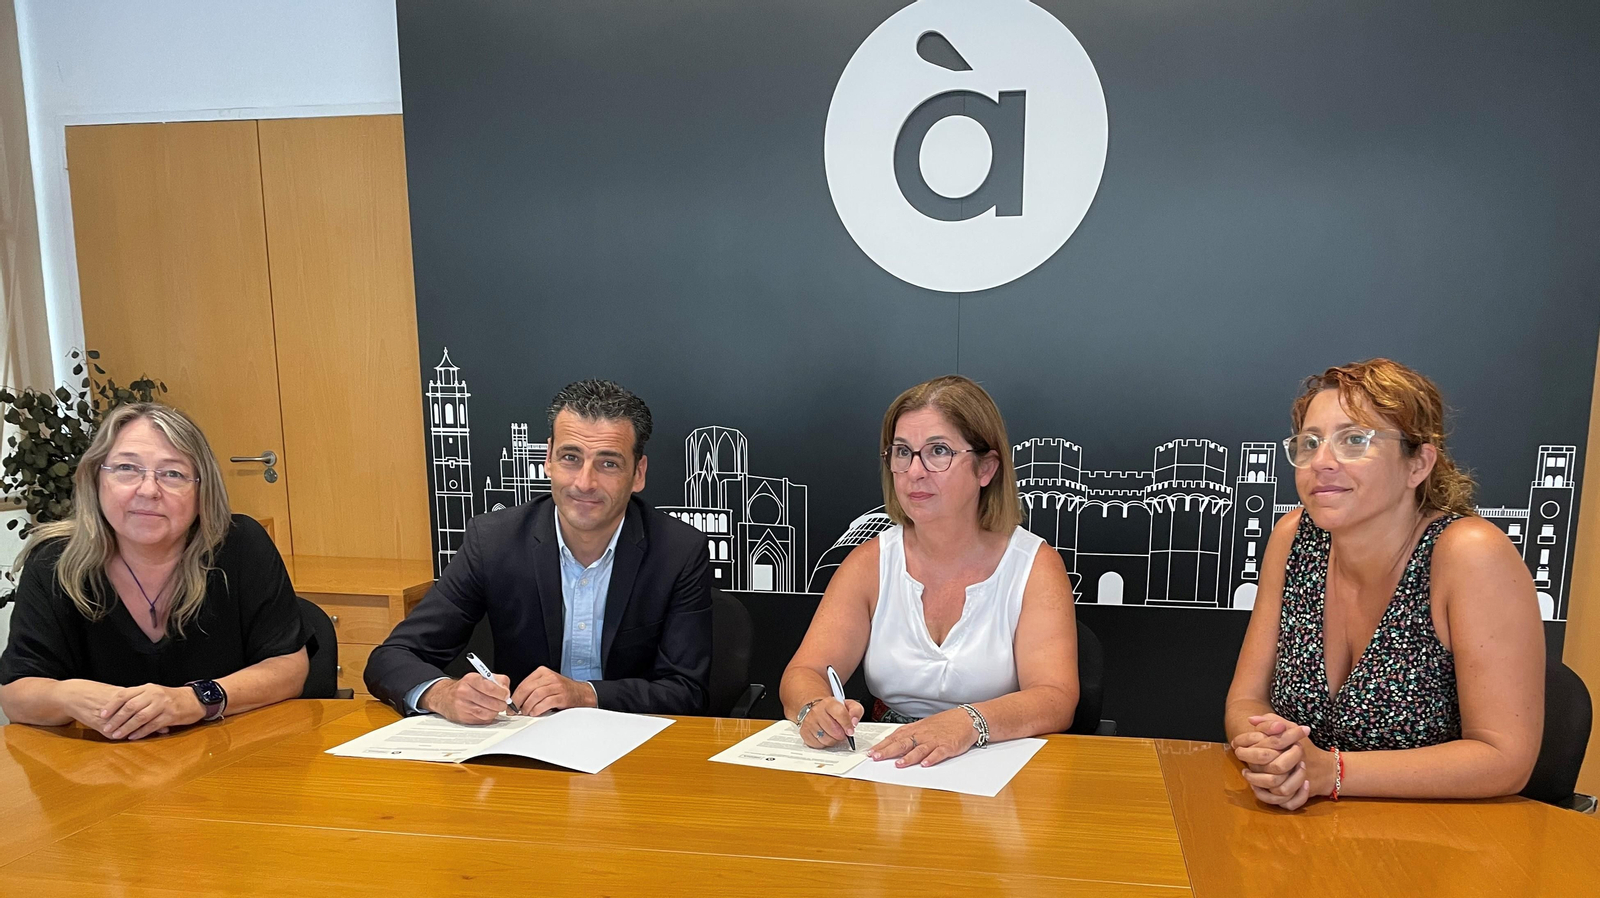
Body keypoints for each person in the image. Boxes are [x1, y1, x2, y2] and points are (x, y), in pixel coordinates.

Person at [1224, 359, 1544, 809]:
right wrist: (1269, 748)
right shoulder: (1293, 537)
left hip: (1438, 850)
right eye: (1309, 442)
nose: (1322, 462)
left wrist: (1330, 772)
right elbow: (1246, 699)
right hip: (1300, 834)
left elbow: (1504, 757)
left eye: (1354, 440)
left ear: (1419, 464)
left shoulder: (1470, 553)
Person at [365, 379, 712, 721]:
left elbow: (686, 691)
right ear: (548, 459)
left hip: (632, 748)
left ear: (638, 473)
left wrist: (586, 694)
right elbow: (392, 657)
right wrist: (442, 694)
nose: (584, 483)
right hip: (522, 742)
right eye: (570, 457)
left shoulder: (678, 551)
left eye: (608, 463)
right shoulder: (493, 541)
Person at [779, 375, 1078, 768]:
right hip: (889, 762)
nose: (914, 472)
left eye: (938, 451)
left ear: (986, 468)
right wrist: (813, 709)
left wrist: (966, 723)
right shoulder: (869, 562)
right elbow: (805, 671)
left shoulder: (1034, 565)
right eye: (902, 452)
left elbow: (1055, 696)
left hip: (995, 761)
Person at [0, 403, 311, 739]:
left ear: (201, 490)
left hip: (226, 757)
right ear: (96, 479)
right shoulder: (54, 561)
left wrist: (195, 700)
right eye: (126, 469)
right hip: (101, 770)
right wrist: (69, 696)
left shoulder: (239, 545)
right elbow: (17, 695)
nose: (148, 490)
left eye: (172, 474)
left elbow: (288, 669)